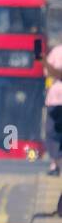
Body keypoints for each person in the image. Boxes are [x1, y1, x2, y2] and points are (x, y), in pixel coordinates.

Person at [45, 41, 62, 176]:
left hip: (55, 100)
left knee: (53, 133)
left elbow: (48, 72)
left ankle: (55, 165)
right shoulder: (56, 51)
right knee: (53, 133)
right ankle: (54, 164)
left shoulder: (56, 51)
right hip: (54, 100)